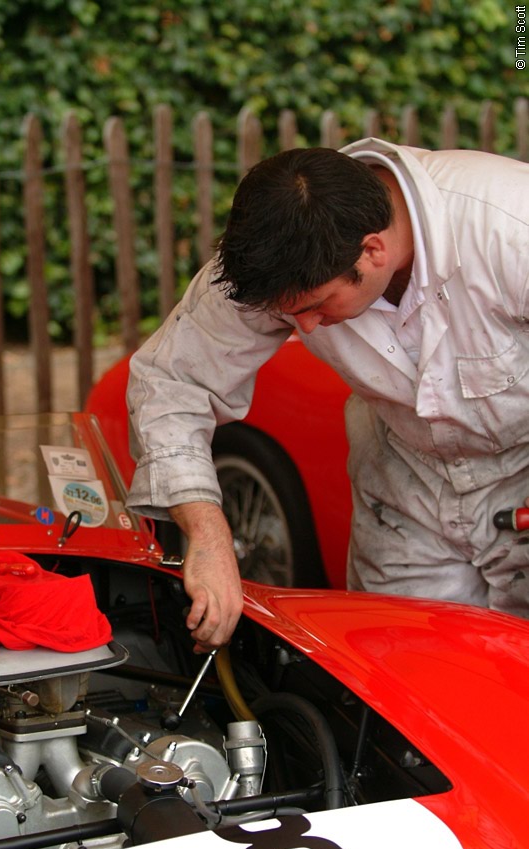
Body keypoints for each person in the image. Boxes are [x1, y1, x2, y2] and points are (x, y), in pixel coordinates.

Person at [125, 138, 529, 652]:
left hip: (523, 476)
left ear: (373, 250)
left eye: (317, 305)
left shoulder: (511, 225)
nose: (307, 326)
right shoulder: (281, 249)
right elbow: (172, 381)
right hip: (404, 488)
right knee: (404, 682)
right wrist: (206, 531)